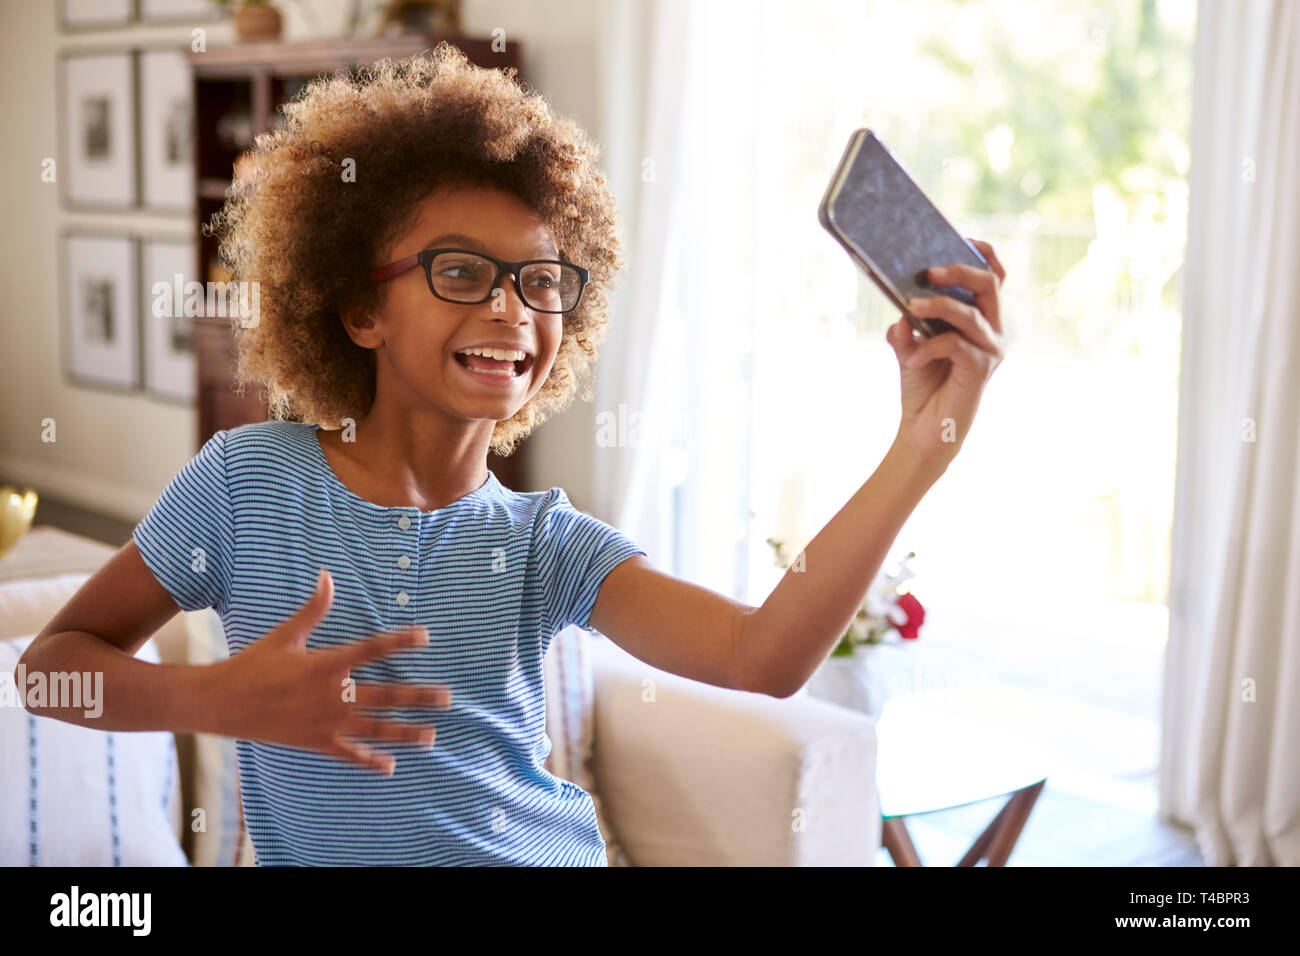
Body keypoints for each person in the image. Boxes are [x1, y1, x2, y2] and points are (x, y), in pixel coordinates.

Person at [17, 44, 1006, 866]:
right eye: (460, 271)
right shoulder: (243, 483)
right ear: (358, 306)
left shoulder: (546, 541)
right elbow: (49, 672)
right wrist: (212, 698)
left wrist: (925, 442)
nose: (510, 306)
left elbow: (763, 655)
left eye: (540, 280)